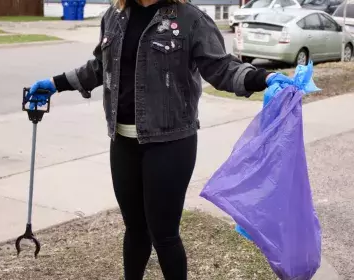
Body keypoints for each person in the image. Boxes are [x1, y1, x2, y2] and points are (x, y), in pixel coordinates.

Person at [26, 0, 277, 279]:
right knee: (134, 228)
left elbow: (222, 68)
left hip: (170, 143)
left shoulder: (190, 19)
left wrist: (262, 78)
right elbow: (101, 66)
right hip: (122, 141)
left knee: (164, 234)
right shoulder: (114, 15)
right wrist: (55, 84)